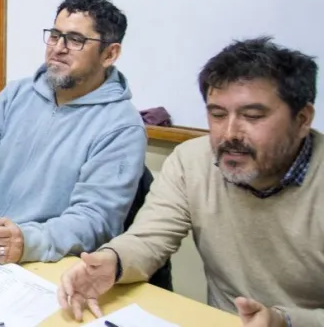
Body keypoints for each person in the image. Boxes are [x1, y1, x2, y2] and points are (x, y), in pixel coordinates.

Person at [58, 38, 323, 327]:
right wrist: (112, 262)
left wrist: (285, 320)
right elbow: (150, 238)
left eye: (253, 116)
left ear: (302, 120)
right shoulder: (191, 160)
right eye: (217, 115)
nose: (230, 133)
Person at [0, 0, 146, 265]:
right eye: (55, 35)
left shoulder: (121, 127)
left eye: (75, 40)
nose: (58, 47)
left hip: (45, 261)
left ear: (110, 54)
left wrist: (27, 241)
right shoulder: (17, 94)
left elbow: (95, 219)